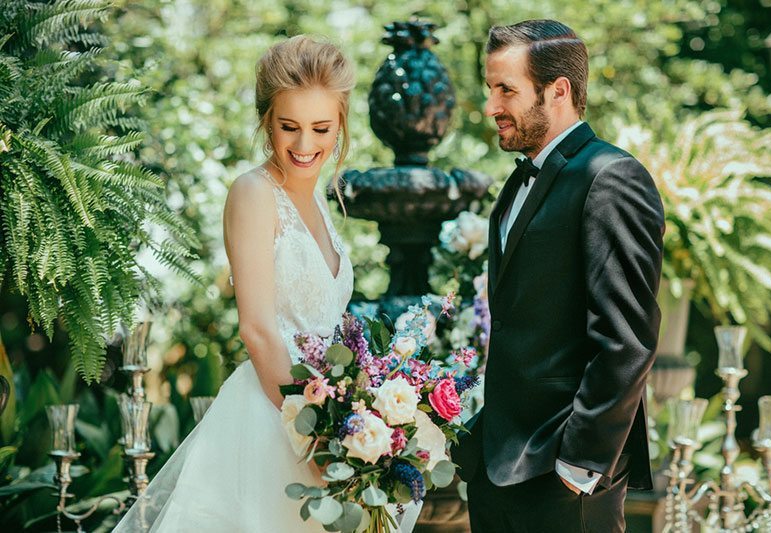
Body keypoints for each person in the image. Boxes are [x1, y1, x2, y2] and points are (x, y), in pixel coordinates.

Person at [114, 35, 420, 532]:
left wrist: (360, 414)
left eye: (321, 128)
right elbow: (258, 328)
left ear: (340, 124)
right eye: (289, 127)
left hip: (327, 413)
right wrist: (314, 436)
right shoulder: (253, 194)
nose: (305, 145)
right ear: (266, 121)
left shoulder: (321, 199)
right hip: (275, 415)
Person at [452, 19, 665, 533]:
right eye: (490, 89)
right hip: (499, 472)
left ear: (559, 91)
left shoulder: (610, 178)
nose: (491, 107)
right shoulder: (518, 182)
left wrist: (579, 464)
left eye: (506, 90)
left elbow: (627, 338)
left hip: (563, 479)